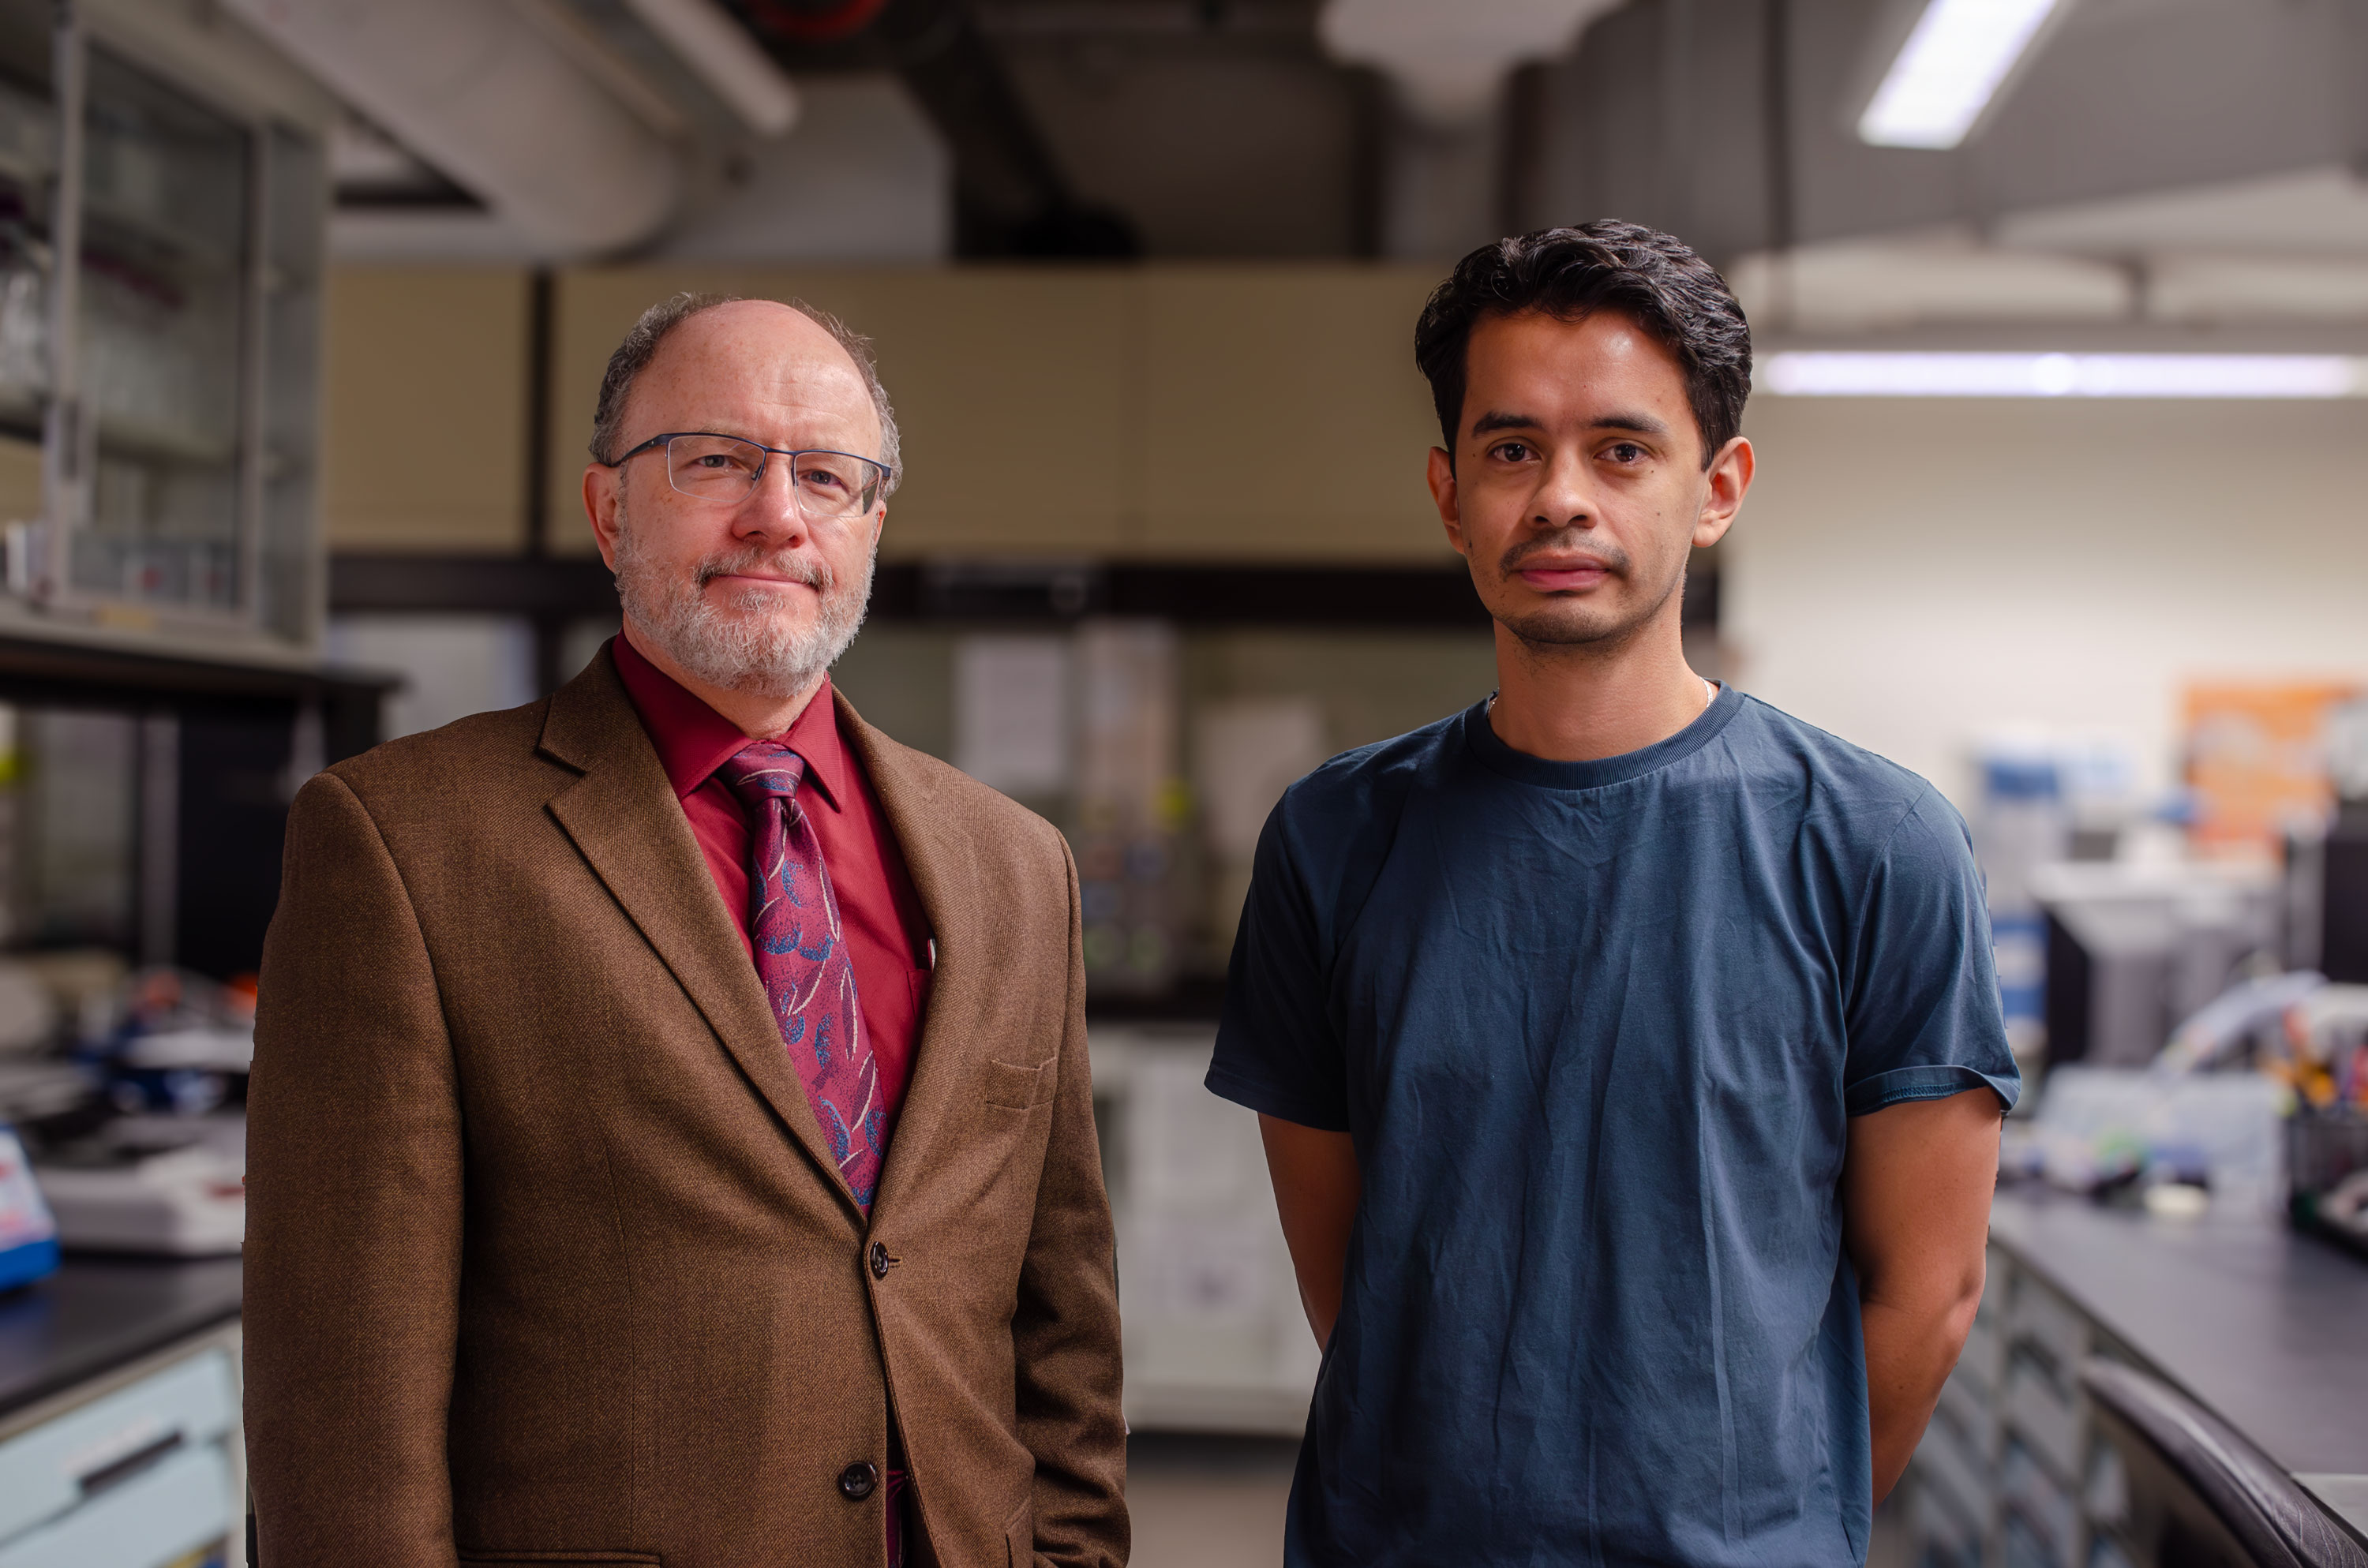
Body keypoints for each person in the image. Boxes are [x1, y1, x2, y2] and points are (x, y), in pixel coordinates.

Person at [246, 294, 1127, 1568]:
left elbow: (1066, 1314)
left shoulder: (1014, 864)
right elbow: (340, 1393)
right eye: (716, 460)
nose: (778, 513)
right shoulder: (400, 841)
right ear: (610, 513)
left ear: (870, 525)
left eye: (827, 476)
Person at [1207, 223, 2017, 1566]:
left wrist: (1764, 1530)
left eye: (1621, 450)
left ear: (1718, 487)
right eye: (1511, 448)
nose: (1560, 499)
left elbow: (1927, 1298)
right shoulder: (1336, 837)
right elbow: (1352, 1279)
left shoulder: (1876, 843)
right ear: (1448, 492)